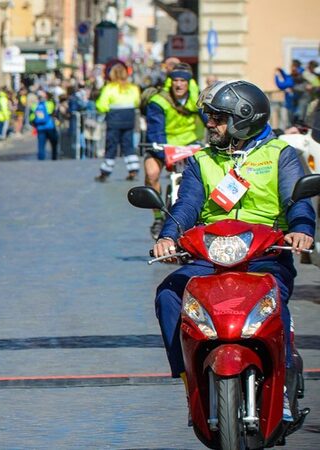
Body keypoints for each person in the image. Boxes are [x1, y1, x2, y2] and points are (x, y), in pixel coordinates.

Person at [152, 80, 314, 421]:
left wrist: (301, 229)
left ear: (244, 118)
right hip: (209, 259)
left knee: (274, 307)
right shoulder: (202, 161)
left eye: (218, 117)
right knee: (168, 294)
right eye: (209, 116)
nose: (209, 123)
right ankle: (189, 380)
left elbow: (296, 200)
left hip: (264, 257)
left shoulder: (280, 155)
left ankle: (281, 390)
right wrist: (168, 236)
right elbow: (186, 206)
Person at [144, 63, 205, 238]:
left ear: (189, 82)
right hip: (164, 145)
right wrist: (165, 154)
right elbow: (155, 131)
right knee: (152, 173)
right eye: (175, 80)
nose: (178, 85)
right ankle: (157, 217)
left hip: (191, 144)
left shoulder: (198, 98)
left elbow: (211, 120)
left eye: (182, 81)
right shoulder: (159, 101)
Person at [94, 63, 141, 182]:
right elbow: (137, 102)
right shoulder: (133, 88)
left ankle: (105, 171)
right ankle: (133, 169)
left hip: (114, 120)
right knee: (128, 145)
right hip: (129, 119)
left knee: (111, 146)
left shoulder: (109, 88)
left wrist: (103, 108)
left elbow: (102, 105)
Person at [29, 90, 58, 160]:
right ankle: (54, 157)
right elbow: (54, 110)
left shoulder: (34, 106)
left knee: (41, 145)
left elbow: (31, 118)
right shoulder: (49, 104)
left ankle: (41, 159)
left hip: (40, 128)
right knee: (54, 143)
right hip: (50, 127)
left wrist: (35, 125)